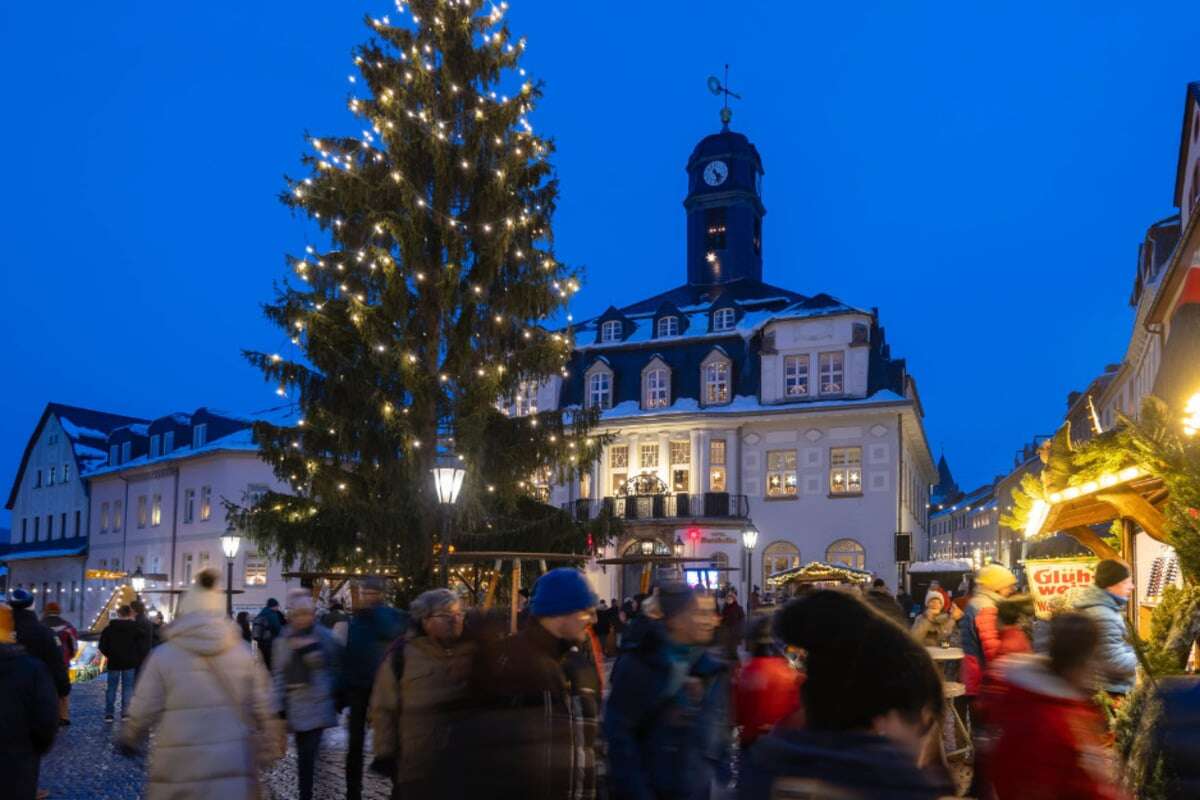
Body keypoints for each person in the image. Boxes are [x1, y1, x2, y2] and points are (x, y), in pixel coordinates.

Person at [739, 590, 949, 800]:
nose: (927, 756)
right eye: (926, 729)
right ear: (885, 717)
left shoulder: (763, 766)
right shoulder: (903, 786)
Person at [118, 569, 280, 799]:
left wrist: (131, 736)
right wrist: (270, 746)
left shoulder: (164, 655)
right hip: (232, 768)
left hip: (178, 772)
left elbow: (144, 707)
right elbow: (264, 704)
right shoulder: (243, 653)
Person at [445, 568, 601, 798]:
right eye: (585, 611)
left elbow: (587, 745)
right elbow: (479, 750)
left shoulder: (579, 665)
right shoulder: (511, 662)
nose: (594, 619)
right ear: (560, 612)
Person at [605, 583, 731, 799]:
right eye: (700, 613)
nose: (711, 621)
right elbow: (620, 740)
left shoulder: (711, 669)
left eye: (712, 613)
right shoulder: (640, 664)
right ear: (675, 619)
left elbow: (717, 740)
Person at [981, 613, 1125, 800]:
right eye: (1095, 657)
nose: (1098, 669)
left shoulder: (1064, 703)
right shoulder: (1048, 721)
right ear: (1080, 661)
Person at [371, 588, 476, 797]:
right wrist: (385, 753)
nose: (454, 620)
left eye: (458, 614)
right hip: (417, 764)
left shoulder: (476, 651)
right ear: (424, 620)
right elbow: (383, 708)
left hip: (465, 765)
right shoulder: (402, 656)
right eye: (445, 615)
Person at [272, 589, 341, 800]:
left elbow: (335, 667)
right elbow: (279, 674)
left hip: (319, 704)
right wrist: (279, 709)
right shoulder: (283, 640)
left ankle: (311, 792)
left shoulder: (324, 637)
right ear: (292, 615)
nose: (303, 618)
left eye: (307, 613)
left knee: (310, 754)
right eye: (299, 614)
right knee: (305, 756)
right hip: (296, 706)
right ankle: (308, 791)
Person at [341, 576, 406, 800]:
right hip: (359, 687)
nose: (367, 597)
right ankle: (352, 792)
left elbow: (391, 632)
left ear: (380, 594)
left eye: (371, 593)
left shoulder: (387, 615)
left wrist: (376, 613)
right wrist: (344, 686)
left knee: (389, 739)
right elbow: (350, 652)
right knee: (355, 745)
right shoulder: (356, 620)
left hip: (383, 686)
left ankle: (398, 789)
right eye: (365, 592)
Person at [735, 615, 803, 749]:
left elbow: (738, 712)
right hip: (782, 743)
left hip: (752, 742)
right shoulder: (788, 672)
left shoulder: (745, 672)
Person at [1071, 559, 1137, 696]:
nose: (1132, 586)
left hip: (1096, 686)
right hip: (1108, 690)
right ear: (1112, 585)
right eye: (1127, 582)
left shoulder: (1103, 609)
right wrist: (1144, 659)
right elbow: (1114, 661)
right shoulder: (1103, 615)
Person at [9, 590, 70, 724]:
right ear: (33, 605)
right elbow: (56, 663)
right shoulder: (45, 633)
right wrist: (63, 686)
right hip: (34, 695)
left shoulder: (5, 632)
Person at [960, 564, 1017, 702]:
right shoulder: (986, 607)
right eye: (1008, 585)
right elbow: (992, 650)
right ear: (996, 586)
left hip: (974, 674)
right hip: (982, 679)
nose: (1012, 589)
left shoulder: (979, 603)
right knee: (982, 721)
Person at [99, 604, 148, 722]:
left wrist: (110, 654)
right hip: (130, 661)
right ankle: (125, 713)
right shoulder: (135, 628)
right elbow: (143, 641)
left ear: (119, 614)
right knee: (128, 688)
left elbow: (102, 646)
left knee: (111, 688)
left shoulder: (109, 628)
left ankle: (109, 714)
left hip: (114, 661)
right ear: (129, 614)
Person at [42, 601, 77, 725]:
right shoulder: (67, 627)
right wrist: (69, 657)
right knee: (63, 688)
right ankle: (64, 716)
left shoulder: (40, 626)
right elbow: (73, 645)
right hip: (62, 661)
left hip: (44, 662)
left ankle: (49, 715)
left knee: (47, 688)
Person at [252, 597, 286, 670]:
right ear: (273, 606)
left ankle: (263, 673)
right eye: (277, 606)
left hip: (260, 642)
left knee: (263, 661)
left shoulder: (262, 613)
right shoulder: (272, 614)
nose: (278, 608)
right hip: (268, 641)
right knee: (270, 662)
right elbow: (277, 628)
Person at [719, 587, 746, 658]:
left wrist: (740, 632)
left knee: (734, 651)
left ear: (734, 598)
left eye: (731, 597)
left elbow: (742, 620)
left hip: (735, 633)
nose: (729, 599)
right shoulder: (724, 608)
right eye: (728, 597)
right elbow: (722, 619)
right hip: (727, 633)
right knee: (727, 651)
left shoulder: (739, 608)